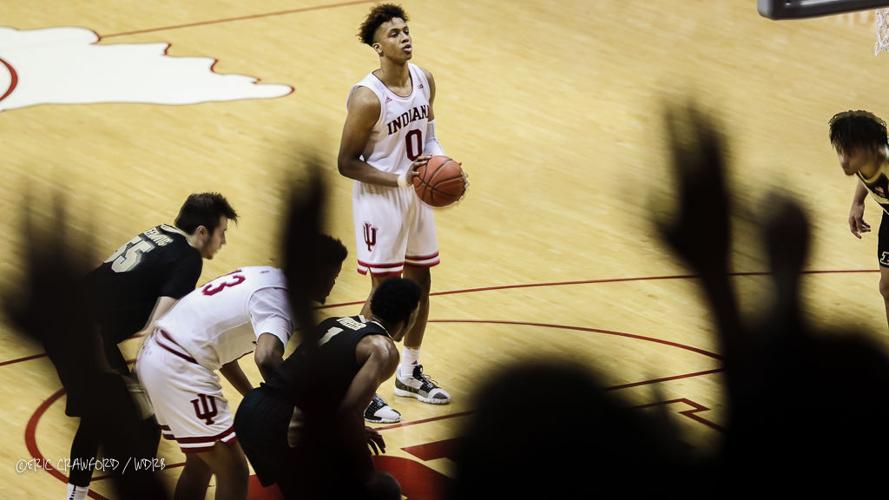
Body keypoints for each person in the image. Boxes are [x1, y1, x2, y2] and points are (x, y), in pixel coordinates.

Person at [135, 236, 346, 500]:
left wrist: (251, 395)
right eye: (331, 275)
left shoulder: (264, 274)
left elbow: (224, 353)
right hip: (178, 366)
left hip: (157, 354)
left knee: (200, 464)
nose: (333, 284)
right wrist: (295, 407)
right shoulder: (280, 301)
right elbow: (267, 356)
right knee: (233, 469)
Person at [64, 192, 238, 500]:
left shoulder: (160, 232)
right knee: (145, 417)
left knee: (101, 412)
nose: (222, 242)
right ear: (201, 232)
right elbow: (159, 326)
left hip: (72, 322)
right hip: (87, 334)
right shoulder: (188, 258)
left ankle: (75, 495)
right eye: (221, 233)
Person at [337, 2, 454, 424]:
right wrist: (403, 179)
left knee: (420, 280)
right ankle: (361, 385)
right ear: (377, 47)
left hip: (416, 192)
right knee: (384, 292)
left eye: (406, 30)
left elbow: (430, 133)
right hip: (380, 197)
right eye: (394, 33)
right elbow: (346, 162)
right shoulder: (367, 97)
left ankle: (409, 371)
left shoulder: (424, 79)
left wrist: (441, 162)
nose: (405, 37)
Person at [234, 278, 422, 499]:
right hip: (285, 421)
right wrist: (368, 475)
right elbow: (349, 412)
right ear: (409, 317)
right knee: (382, 489)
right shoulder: (383, 349)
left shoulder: (335, 322)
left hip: (252, 410)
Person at [829, 110, 889, 330]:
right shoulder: (863, 158)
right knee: (887, 288)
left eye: (850, 152)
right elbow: (865, 176)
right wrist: (858, 202)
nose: (843, 160)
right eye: (840, 151)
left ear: (873, 147)